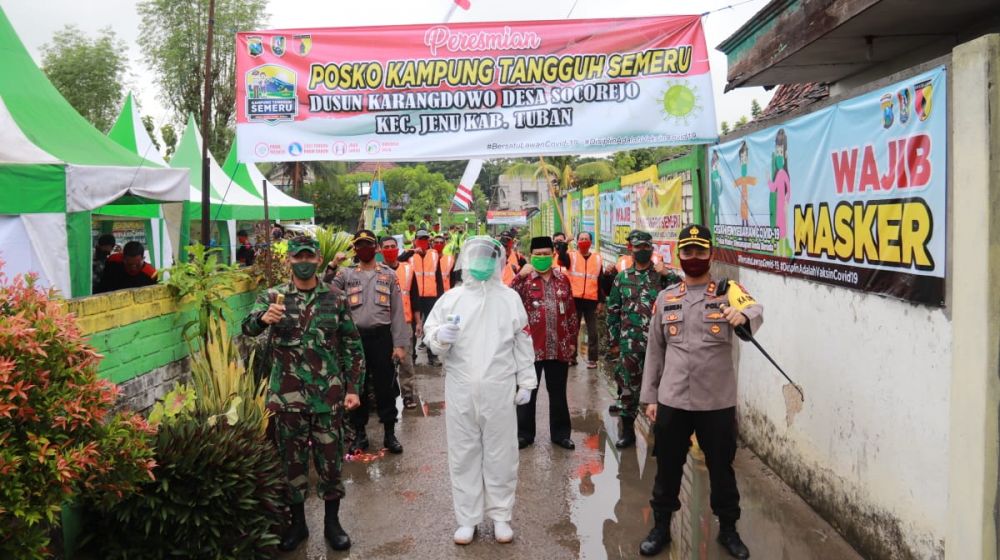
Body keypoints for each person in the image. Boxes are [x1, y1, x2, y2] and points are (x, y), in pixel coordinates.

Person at [638, 224, 762, 559]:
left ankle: (729, 530)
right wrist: (650, 398)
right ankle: (661, 527)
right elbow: (655, 351)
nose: (694, 257)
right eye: (688, 251)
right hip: (674, 399)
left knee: (722, 469)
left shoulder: (727, 291)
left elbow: (755, 311)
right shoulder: (667, 298)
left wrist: (741, 314)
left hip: (716, 401)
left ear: (711, 254)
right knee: (667, 468)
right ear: (679, 254)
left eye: (700, 251)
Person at [240, 236, 364, 552]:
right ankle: (298, 525)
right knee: (290, 464)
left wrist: (353, 388)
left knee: (331, 461)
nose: (304, 262)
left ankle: (332, 523)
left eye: (309, 256)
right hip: (287, 398)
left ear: (318, 261)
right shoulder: (273, 297)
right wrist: (261, 319)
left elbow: (352, 346)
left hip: (328, 397)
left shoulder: (334, 299)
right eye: (298, 258)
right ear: (289, 262)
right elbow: (247, 328)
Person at [423, 236, 537, 546]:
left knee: (502, 454)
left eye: (488, 257)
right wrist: (439, 338)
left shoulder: (509, 299)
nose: (482, 263)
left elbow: (522, 341)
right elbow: (431, 334)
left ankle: (501, 516)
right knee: (463, 455)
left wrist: (526, 381)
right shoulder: (451, 299)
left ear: (498, 262)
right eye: (477, 257)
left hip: (499, 388)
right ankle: (468, 520)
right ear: (466, 260)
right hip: (460, 389)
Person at [332, 230, 408, 454]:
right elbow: (323, 288)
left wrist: (400, 345)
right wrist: (332, 264)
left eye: (368, 244)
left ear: (375, 248)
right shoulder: (345, 275)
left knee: (386, 387)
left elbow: (397, 313)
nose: (364, 248)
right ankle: (360, 435)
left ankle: (389, 434)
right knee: (358, 387)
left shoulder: (388, 275)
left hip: (382, 338)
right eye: (359, 245)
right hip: (354, 341)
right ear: (355, 249)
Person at [606, 230, 681, 449]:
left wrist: (667, 273)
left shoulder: (662, 277)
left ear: (652, 249)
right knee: (628, 389)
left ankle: (659, 433)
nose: (642, 251)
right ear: (631, 249)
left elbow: (682, 291)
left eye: (646, 247)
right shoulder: (622, 278)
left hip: (659, 346)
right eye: (638, 247)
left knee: (661, 389)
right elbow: (613, 311)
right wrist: (614, 343)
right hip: (630, 344)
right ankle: (627, 431)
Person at [510, 236, 579, 451]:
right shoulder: (524, 281)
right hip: (530, 349)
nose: (542, 257)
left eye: (545, 254)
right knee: (527, 392)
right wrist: (519, 277)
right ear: (531, 256)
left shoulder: (562, 279)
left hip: (558, 347)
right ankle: (524, 434)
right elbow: (507, 300)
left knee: (558, 393)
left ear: (553, 254)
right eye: (537, 254)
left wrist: (572, 341)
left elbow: (570, 312)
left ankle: (561, 435)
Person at [380, 236, 420, 409]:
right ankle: (386, 396)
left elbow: (415, 298)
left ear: (398, 248)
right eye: (386, 247)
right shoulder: (377, 271)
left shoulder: (408, 270)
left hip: (405, 323)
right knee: (384, 362)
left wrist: (418, 322)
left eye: (392, 246)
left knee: (406, 363)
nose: (390, 249)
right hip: (382, 324)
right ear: (381, 251)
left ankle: (408, 395)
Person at [406, 229, 449, 366]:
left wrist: (440, 297)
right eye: (420, 239)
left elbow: (438, 278)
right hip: (415, 296)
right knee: (413, 327)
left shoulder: (434, 255)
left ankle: (432, 356)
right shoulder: (410, 255)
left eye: (425, 239)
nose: (423, 242)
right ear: (415, 240)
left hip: (431, 297)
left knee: (432, 327)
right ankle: (412, 356)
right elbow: (398, 260)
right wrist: (413, 250)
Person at [567, 231, 604, 368]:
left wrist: (601, 301)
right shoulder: (571, 256)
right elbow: (560, 259)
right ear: (577, 241)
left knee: (593, 331)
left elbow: (599, 281)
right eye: (581, 238)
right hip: (574, 300)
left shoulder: (598, 258)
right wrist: (565, 242)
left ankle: (592, 359)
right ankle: (571, 357)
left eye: (586, 239)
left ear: (591, 242)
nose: (583, 241)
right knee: (573, 330)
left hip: (591, 301)